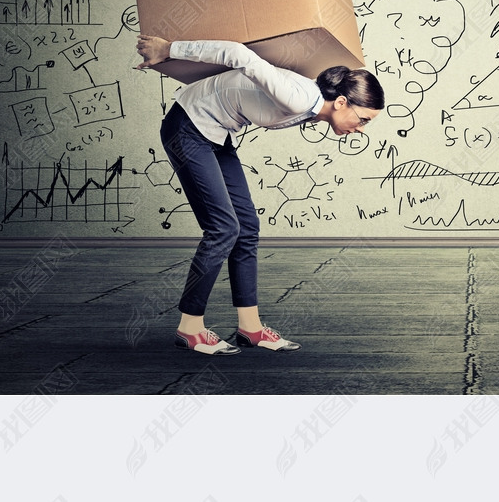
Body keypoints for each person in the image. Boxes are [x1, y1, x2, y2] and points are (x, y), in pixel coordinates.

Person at [135, 35, 384, 353]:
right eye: (362, 119)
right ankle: (190, 328)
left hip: (214, 130)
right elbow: (237, 53)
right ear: (341, 103)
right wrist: (168, 50)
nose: (360, 128)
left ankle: (250, 328)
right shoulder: (298, 97)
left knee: (246, 227)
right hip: (187, 127)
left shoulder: (310, 104)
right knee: (223, 228)